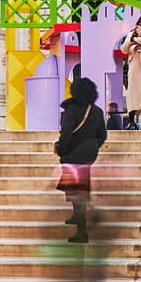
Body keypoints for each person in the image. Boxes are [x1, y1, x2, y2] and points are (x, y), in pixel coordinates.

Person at [55, 76, 107, 243]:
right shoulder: (97, 111)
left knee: (76, 191)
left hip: (73, 154)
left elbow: (66, 134)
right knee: (79, 188)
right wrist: (93, 146)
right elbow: (102, 135)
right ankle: (77, 217)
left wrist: (61, 149)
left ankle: (82, 231)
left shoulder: (71, 111)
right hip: (88, 155)